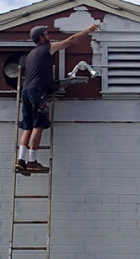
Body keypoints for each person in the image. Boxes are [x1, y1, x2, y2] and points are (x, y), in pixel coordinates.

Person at [16, 21, 100, 175]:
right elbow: (71, 41)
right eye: (47, 34)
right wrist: (88, 29)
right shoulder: (47, 48)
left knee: (27, 126)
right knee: (38, 125)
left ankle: (21, 161)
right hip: (37, 91)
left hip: (26, 92)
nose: (49, 36)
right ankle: (32, 161)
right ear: (41, 38)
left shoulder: (30, 55)